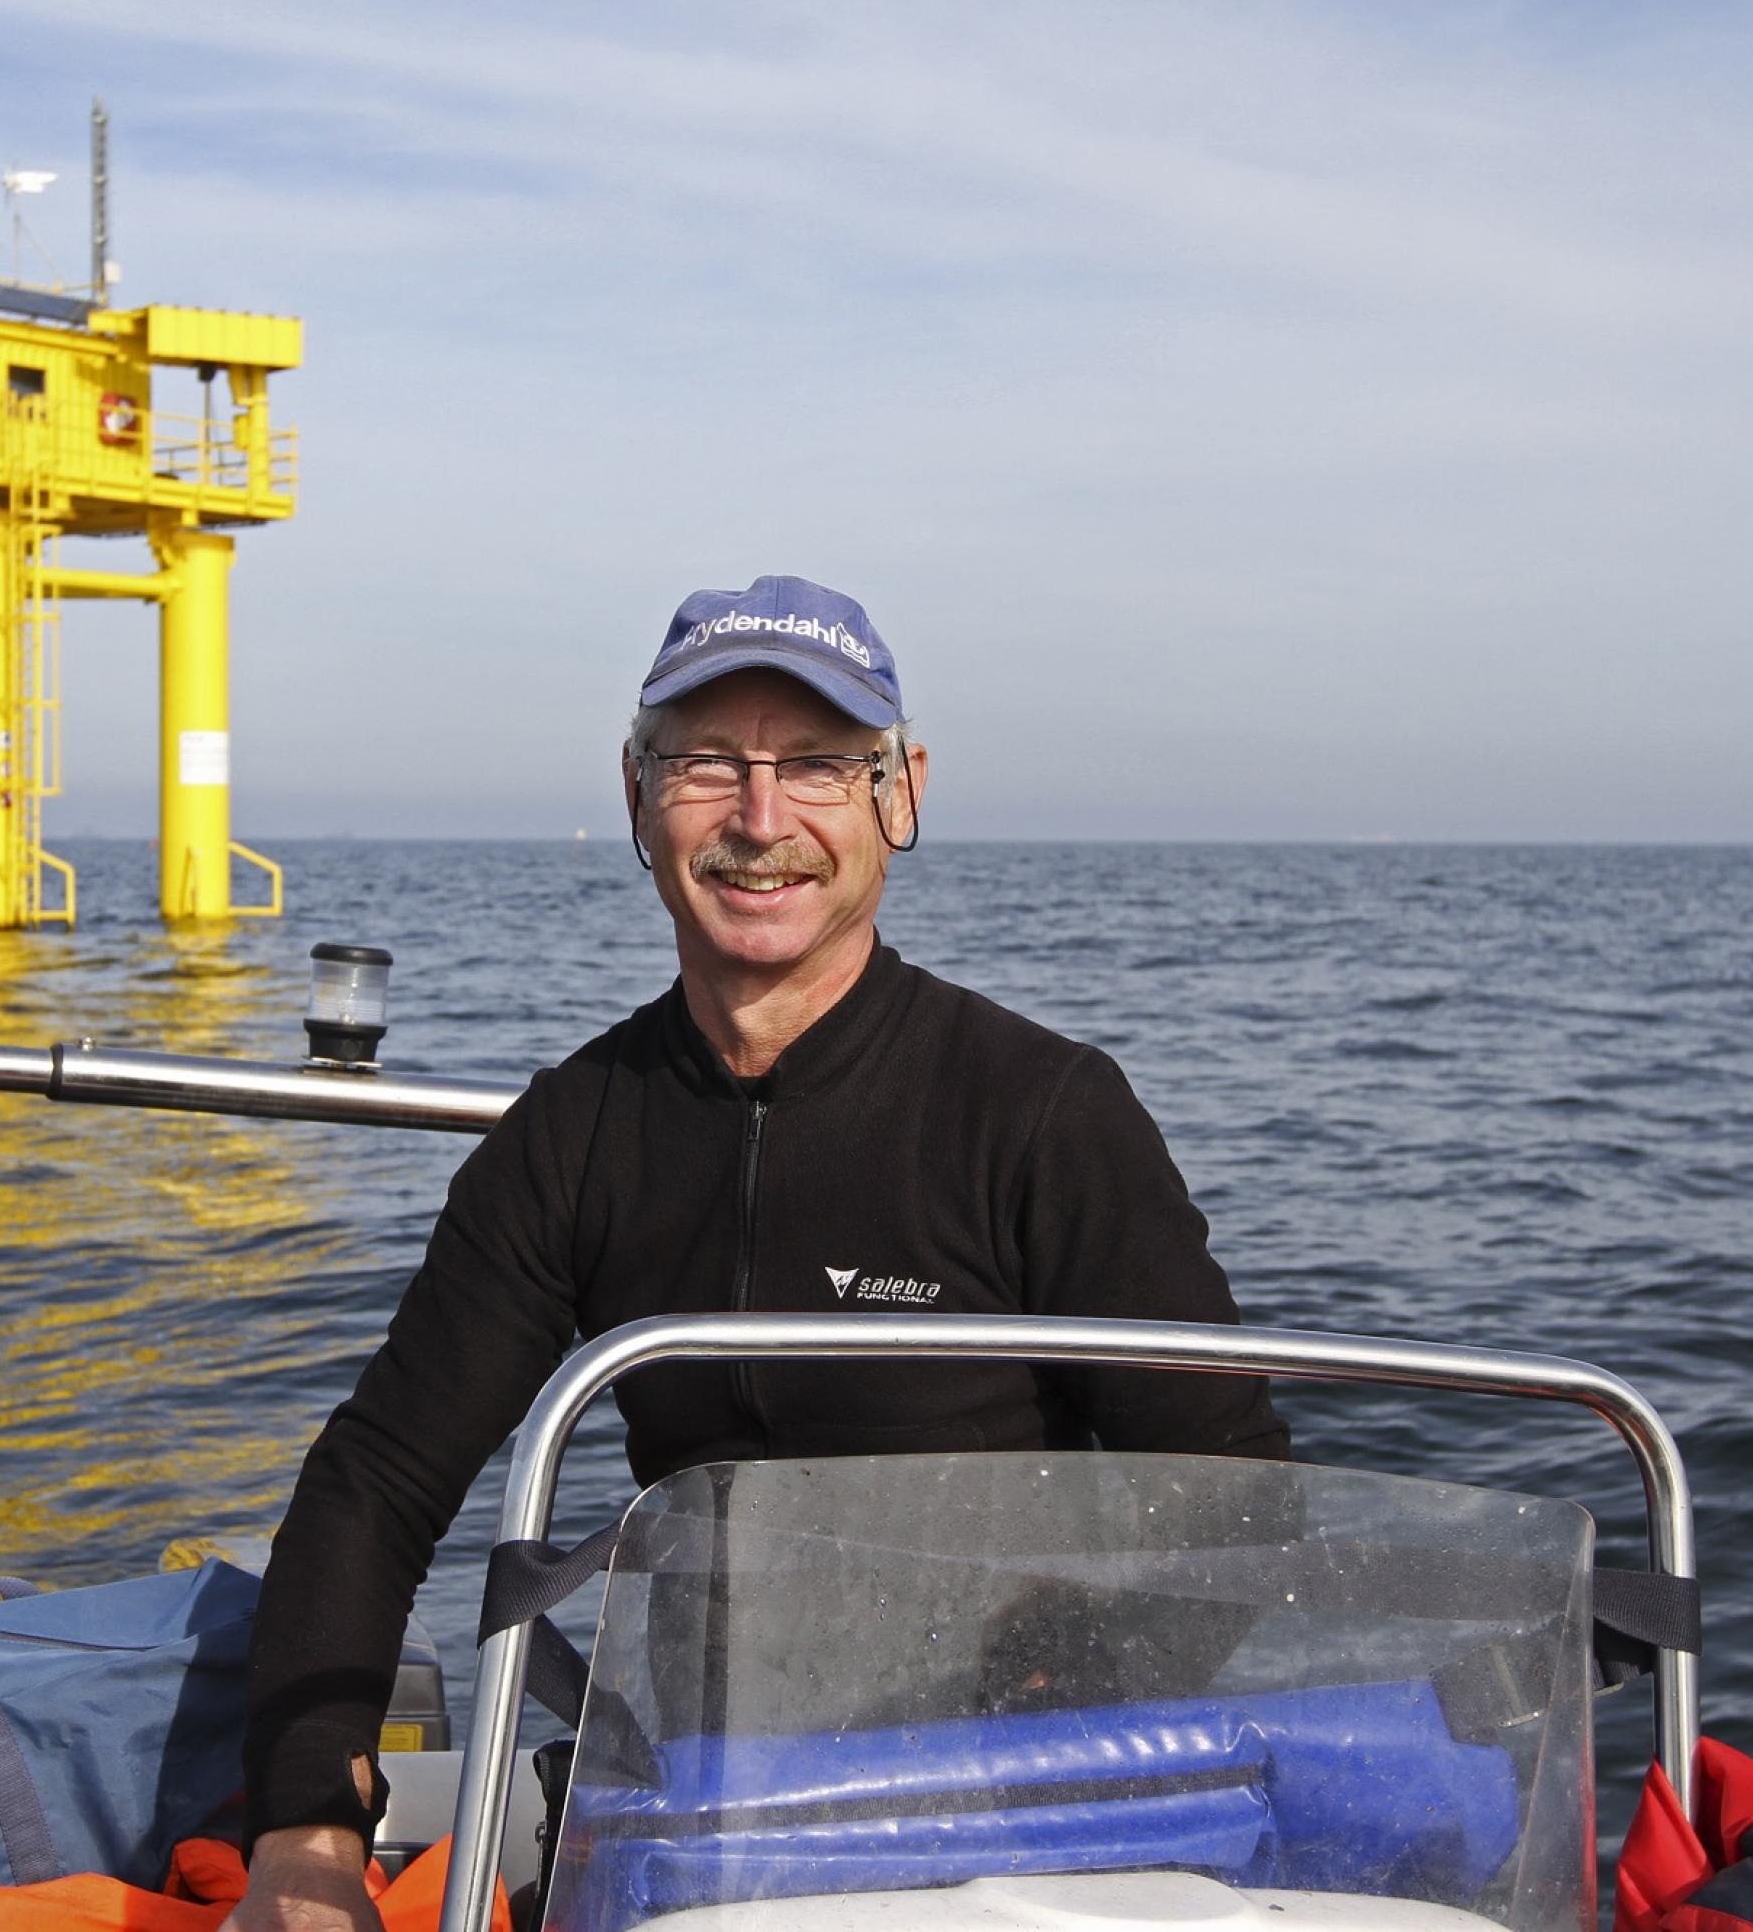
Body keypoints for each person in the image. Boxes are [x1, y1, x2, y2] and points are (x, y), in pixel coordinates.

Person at [225, 575, 1288, 1932]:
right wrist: (307, 1831)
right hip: (700, 1806)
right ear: (636, 797)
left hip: (1012, 1819)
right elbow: (378, 1480)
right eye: (707, 764)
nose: (762, 820)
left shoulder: (1040, 1113)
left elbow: (1237, 1501)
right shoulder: (578, 1131)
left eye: (820, 767)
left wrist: (1073, 1679)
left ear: (900, 794)